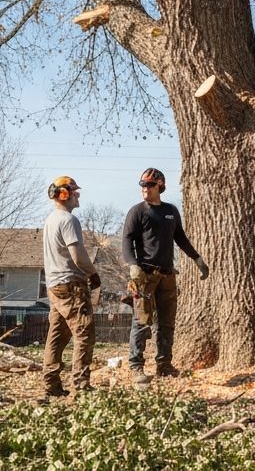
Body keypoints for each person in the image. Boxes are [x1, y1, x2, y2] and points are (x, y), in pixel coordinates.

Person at [121, 167, 208, 385]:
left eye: (149, 185)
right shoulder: (137, 211)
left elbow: (181, 238)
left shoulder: (171, 211)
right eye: (142, 185)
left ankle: (164, 365)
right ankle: (136, 367)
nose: (145, 189)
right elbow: (126, 241)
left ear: (160, 186)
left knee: (166, 323)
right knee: (141, 321)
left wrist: (197, 259)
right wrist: (133, 266)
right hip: (145, 276)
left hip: (168, 275)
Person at [41, 175, 100, 399]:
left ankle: (51, 385)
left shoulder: (50, 220)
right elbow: (78, 255)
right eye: (74, 192)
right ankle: (81, 385)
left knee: (57, 335)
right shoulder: (68, 220)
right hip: (71, 285)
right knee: (84, 332)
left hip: (54, 286)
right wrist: (92, 273)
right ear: (64, 194)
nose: (78, 196)